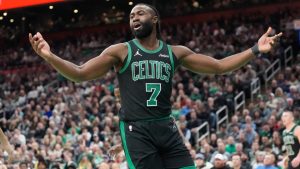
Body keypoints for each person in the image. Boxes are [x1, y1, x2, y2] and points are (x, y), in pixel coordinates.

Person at [29, 3, 282, 169]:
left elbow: (219, 66)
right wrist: (50, 57)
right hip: (137, 130)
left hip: (166, 128)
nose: (134, 18)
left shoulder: (174, 53)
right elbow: (80, 73)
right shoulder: (121, 51)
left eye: (140, 13)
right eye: (131, 16)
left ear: (155, 18)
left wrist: (254, 50)